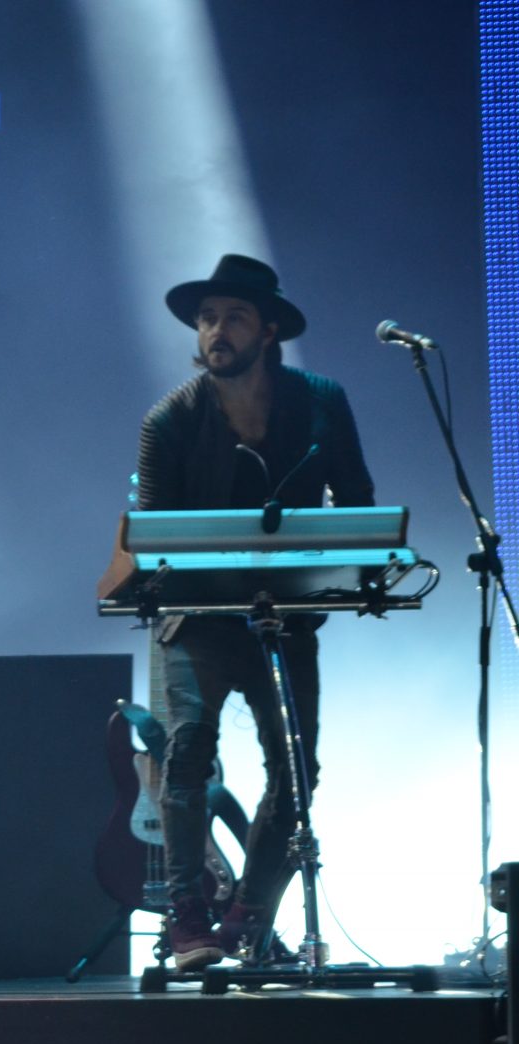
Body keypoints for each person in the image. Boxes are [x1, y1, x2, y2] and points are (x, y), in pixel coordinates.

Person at [136, 254, 375, 969]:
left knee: (297, 770)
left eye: (234, 316)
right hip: (197, 621)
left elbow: (359, 507)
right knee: (186, 755)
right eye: (207, 317)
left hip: (284, 617)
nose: (216, 330)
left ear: (268, 330)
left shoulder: (321, 401)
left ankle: (246, 914)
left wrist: (354, 574)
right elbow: (153, 538)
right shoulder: (170, 420)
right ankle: (185, 920)